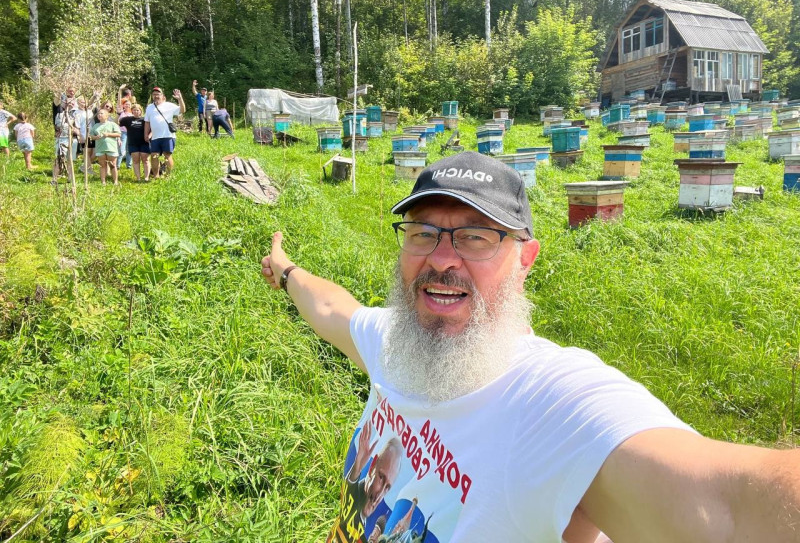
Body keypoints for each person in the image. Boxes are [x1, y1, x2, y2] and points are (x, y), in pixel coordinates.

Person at [262, 152, 800, 543]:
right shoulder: (394, 342)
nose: (442, 259)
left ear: (524, 259)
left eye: (476, 237)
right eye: (423, 233)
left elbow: (730, 508)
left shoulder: (550, 405)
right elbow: (332, 308)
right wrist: (285, 271)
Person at [144, 86, 184, 178]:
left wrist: (180, 99)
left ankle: (169, 176)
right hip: (155, 137)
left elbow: (182, 110)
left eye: (158, 94)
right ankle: (156, 176)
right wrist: (146, 134)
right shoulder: (149, 107)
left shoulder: (169, 105)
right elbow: (147, 122)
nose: (156, 96)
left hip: (168, 135)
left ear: (162, 96)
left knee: (167, 155)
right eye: (154, 94)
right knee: (154, 155)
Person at [89, 108, 121, 185]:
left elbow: (118, 134)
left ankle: (115, 181)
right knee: (102, 165)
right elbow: (91, 136)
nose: (99, 115)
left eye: (101, 113)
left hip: (111, 148)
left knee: (113, 165)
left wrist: (108, 134)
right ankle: (103, 181)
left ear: (107, 116)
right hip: (100, 148)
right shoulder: (96, 126)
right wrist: (95, 137)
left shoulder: (112, 124)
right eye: (98, 114)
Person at [119, 104, 149, 182]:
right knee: (135, 160)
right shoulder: (128, 119)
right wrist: (118, 114)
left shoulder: (145, 120)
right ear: (132, 111)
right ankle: (138, 178)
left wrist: (149, 136)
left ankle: (146, 177)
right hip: (132, 143)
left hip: (144, 143)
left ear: (141, 111)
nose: (136, 111)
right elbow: (117, 123)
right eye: (134, 110)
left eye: (138, 110)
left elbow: (151, 129)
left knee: (145, 160)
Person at [52, 101, 79, 185]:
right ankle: (54, 179)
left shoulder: (76, 115)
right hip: (61, 139)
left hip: (72, 139)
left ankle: (70, 178)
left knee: (70, 160)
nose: (70, 104)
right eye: (68, 102)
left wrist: (74, 129)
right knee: (59, 159)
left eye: (72, 103)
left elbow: (78, 130)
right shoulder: (59, 114)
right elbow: (57, 128)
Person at [117, 98, 133, 170]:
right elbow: (117, 122)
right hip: (122, 133)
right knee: (121, 149)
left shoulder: (132, 114)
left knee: (129, 150)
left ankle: (129, 165)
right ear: (123, 105)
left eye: (129, 104)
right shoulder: (121, 113)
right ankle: (117, 165)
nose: (127, 106)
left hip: (130, 133)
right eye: (126, 104)